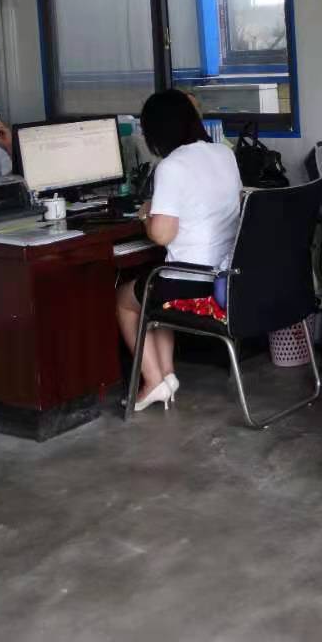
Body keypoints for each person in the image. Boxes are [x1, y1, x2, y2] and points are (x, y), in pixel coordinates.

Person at [115, 89, 242, 411]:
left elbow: (161, 235)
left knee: (126, 300)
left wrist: (146, 215)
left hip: (192, 282)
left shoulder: (171, 166)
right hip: (227, 275)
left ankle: (152, 379)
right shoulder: (223, 153)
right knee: (155, 292)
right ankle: (166, 376)